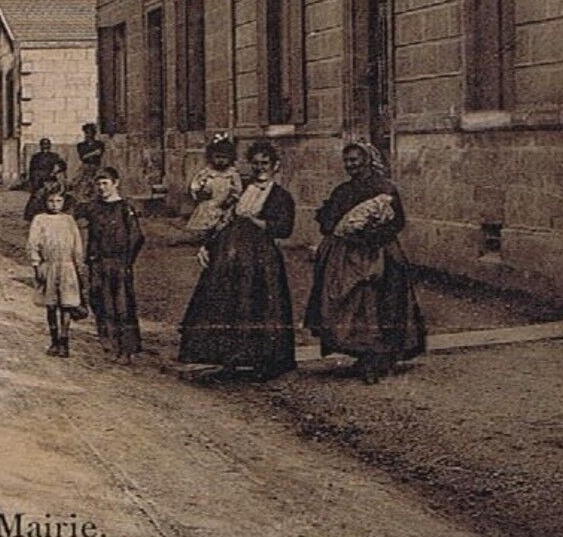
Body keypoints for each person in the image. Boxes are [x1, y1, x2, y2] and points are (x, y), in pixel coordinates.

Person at [305, 139, 427, 383]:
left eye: (355, 160)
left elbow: (397, 221)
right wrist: (332, 223)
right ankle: (361, 353)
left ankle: (377, 357)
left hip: (379, 252)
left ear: (368, 161)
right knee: (348, 301)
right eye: (347, 161)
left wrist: (372, 236)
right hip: (346, 256)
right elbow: (329, 220)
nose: (350, 165)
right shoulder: (342, 190)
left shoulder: (385, 188)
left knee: (380, 302)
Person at [177, 140, 297, 377]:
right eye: (256, 164)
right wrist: (207, 246)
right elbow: (224, 221)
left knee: (259, 306)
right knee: (227, 302)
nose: (260, 168)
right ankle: (229, 357)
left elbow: (285, 228)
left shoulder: (281, 196)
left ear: (275, 166)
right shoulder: (242, 190)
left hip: (261, 259)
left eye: (265, 163)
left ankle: (263, 361)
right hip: (230, 255)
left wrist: (256, 221)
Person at [82, 167, 144, 363]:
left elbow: (137, 237)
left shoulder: (125, 208)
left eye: (105, 183)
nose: (101, 188)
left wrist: (127, 261)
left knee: (121, 306)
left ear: (115, 183)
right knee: (99, 301)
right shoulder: (93, 208)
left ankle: (126, 349)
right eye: (98, 184)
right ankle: (109, 342)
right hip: (97, 263)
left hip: (119, 263)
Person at [28, 188, 86, 357]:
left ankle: (64, 341)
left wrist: (79, 265)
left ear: (64, 202)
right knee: (51, 305)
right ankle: (53, 341)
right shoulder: (40, 219)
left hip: (67, 266)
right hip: (49, 265)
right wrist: (36, 264)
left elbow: (77, 244)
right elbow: (33, 243)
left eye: (58, 201)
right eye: (51, 201)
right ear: (45, 202)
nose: (54, 205)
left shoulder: (69, 220)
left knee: (66, 305)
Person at [186, 134, 243, 234]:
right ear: (211, 157)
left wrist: (233, 197)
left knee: (226, 222)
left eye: (224, 157)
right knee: (207, 219)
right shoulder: (207, 173)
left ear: (231, 158)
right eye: (217, 157)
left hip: (226, 203)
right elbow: (195, 185)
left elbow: (238, 189)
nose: (221, 160)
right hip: (210, 203)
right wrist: (200, 192)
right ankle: (206, 234)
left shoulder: (232, 174)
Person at [71, 123, 106, 204]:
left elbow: (100, 153)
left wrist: (90, 154)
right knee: (80, 184)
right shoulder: (81, 145)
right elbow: (83, 157)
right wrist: (93, 153)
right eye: (87, 132)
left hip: (96, 166)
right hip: (85, 167)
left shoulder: (99, 143)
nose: (88, 135)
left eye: (90, 132)